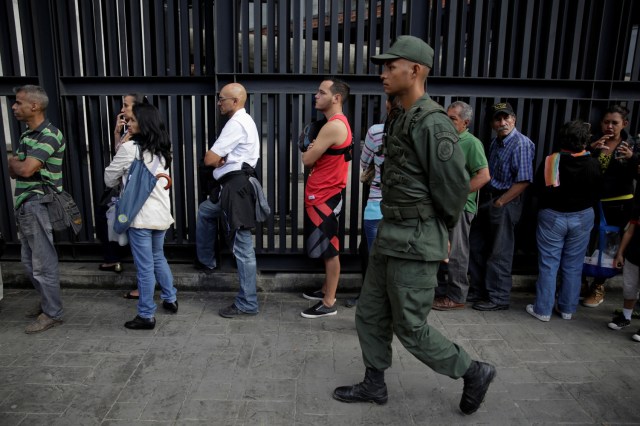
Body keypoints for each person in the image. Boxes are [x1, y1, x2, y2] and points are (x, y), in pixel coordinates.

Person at [333, 35, 496, 415]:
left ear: (416, 70)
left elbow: (453, 190)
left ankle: (472, 371)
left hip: (417, 241)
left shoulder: (433, 123)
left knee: (410, 326)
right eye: (383, 67)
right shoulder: (399, 115)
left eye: (391, 67)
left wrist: (441, 237)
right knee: (370, 313)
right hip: (391, 235)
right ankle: (374, 384)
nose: (383, 74)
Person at [104, 103, 178, 330]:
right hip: (161, 215)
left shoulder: (129, 150)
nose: (129, 123)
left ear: (144, 124)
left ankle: (146, 315)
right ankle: (170, 298)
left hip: (140, 218)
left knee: (144, 267)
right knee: (158, 257)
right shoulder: (163, 151)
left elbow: (108, 179)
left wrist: (122, 145)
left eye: (133, 120)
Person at [196, 83, 264, 318]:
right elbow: (217, 160)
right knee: (205, 211)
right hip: (231, 187)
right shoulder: (243, 121)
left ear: (235, 101)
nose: (218, 102)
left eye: (222, 99)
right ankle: (207, 260)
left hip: (236, 189)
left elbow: (209, 158)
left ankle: (247, 302)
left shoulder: (236, 123)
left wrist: (218, 159)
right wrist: (220, 160)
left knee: (243, 247)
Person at [525, 120, 601, 322]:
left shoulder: (552, 161)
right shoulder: (593, 162)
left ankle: (543, 310)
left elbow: (537, 190)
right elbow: (597, 192)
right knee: (574, 265)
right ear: (585, 141)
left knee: (549, 264)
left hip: (553, 216)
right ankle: (567, 308)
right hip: (583, 216)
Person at [8, 85, 66, 334]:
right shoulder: (25, 136)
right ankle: (47, 304)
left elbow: (24, 169)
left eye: (19, 102)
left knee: (43, 263)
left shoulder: (50, 135)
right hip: (25, 204)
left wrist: (16, 162)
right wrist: (17, 164)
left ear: (35, 106)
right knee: (29, 262)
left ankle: (53, 313)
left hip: (38, 203)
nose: (14, 106)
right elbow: (15, 169)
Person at [468, 102, 535, 311]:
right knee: (477, 245)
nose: (503, 122)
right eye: (498, 119)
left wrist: (501, 202)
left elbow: (524, 181)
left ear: (514, 119)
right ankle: (479, 290)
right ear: (492, 124)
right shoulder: (496, 142)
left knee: (500, 250)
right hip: (489, 199)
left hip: (505, 200)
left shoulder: (521, 144)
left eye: (506, 118)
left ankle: (498, 297)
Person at [300, 77, 352, 319]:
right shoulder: (333, 124)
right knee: (325, 247)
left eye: (321, 92)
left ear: (336, 98)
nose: (316, 96)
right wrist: (314, 148)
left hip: (325, 195)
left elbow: (307, 159)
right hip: (322, 194)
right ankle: (324, 289)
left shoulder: (334, 125)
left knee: (330, 249)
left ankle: (329, 301)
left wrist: (311, 150)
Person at [434, 101, 490, 310]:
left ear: (465, 122)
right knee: (441, 250)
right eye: (446, 117)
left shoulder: (471, 143)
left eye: (453, 118)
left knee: (456, 252)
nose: (447, 122)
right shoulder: (447, 140)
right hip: (443, 205)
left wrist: (457, 194)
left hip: (460, 207)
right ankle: (440, 292)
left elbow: (483, 176)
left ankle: (457, 296)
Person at [582, 105, 637, 308]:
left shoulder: (631, 145)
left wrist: (633, 159)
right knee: (588, 242)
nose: (610, 126)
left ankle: (599, 286)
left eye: (615, 122)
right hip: (594, 202)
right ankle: (582, 282)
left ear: (624, 124)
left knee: (609, 246)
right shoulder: (595, 141)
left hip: (619, 204)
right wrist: (590, 150)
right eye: (606, 122)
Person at [345, 97, 397, 308]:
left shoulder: (376, 131)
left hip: (377, 204)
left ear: (387, 105)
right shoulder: (419, 132)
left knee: (371, 255)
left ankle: (370, 299)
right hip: (406, 206)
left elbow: (364, 162)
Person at [98, 93, 148, 300]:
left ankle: (145, 291)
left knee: (141, 245)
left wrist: (125, 141)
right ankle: (113, 258)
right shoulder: (131, 131)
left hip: (132, 195)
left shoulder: (140, 133)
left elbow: (115, 168)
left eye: (127, 106)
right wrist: (117, 134)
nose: (123, 110)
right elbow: (120, 154)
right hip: (125, 190)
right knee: (106, 220)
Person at [608, 214, 640, 341]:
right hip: (633, 255)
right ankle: (626, 317)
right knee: (629, 287)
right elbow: (629, 231)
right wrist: (620, 253)